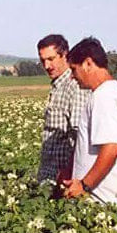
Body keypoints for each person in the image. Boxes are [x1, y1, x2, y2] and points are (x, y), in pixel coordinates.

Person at [62, 37, 117, 204]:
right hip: (114, 197)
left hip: (108, 201)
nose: (72, 77)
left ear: (88, 63)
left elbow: (112, 147)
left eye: (74, 69)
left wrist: (84, 185)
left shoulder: (103, 96)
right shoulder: (113, 91)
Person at [36, 34, 90, 198]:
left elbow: (77, 135)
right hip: (50, 175)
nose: (47, 65)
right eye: (43, 60)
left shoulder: (74, 86)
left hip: (63, 178)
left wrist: (67, 175)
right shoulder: (58, 86)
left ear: (64, 55)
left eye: (51, 59)